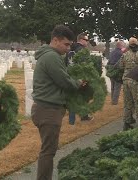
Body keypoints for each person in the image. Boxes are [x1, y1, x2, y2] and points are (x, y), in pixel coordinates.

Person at [31, 25, 87, 180]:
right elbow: (64, 81)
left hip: (46, 109)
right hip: (48, 110)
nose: (69, 48)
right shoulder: (51, 57)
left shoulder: (52, 55)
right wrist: (78, 83)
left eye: (70, 44)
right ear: (55, 40)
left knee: (48, 150)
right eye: (66, 44)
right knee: (48, 152)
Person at [65, 33, 94, 123]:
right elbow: (85, 65)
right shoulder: (82, 50)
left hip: (70, 76)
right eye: (86, 40)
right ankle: (84, 116)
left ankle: (71, 120)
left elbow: (66, 62)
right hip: (80, 77)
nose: (87, 42)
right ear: (81, 40)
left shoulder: (69, 50)